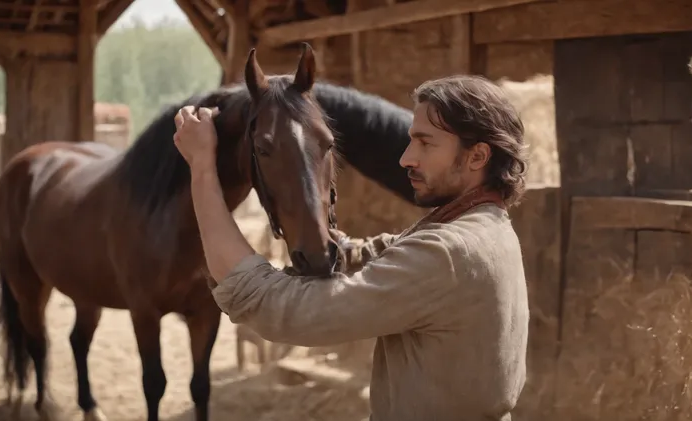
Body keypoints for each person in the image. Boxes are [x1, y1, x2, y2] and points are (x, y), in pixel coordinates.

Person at [173, 74, 530, 421]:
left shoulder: (452, 251)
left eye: (425, 142)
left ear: (477, 157)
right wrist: (320, 238)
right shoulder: (484, 229)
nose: (406, 158)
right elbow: (382, 255)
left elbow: (290, 311)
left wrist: (203, 170)